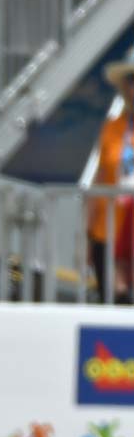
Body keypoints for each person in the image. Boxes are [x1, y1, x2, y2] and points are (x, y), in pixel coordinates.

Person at [88, 57, 134, 304]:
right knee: (111, 300)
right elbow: (99, 177)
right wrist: (87, 233)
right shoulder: (113, 127)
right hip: (107, 230)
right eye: (131, 81)